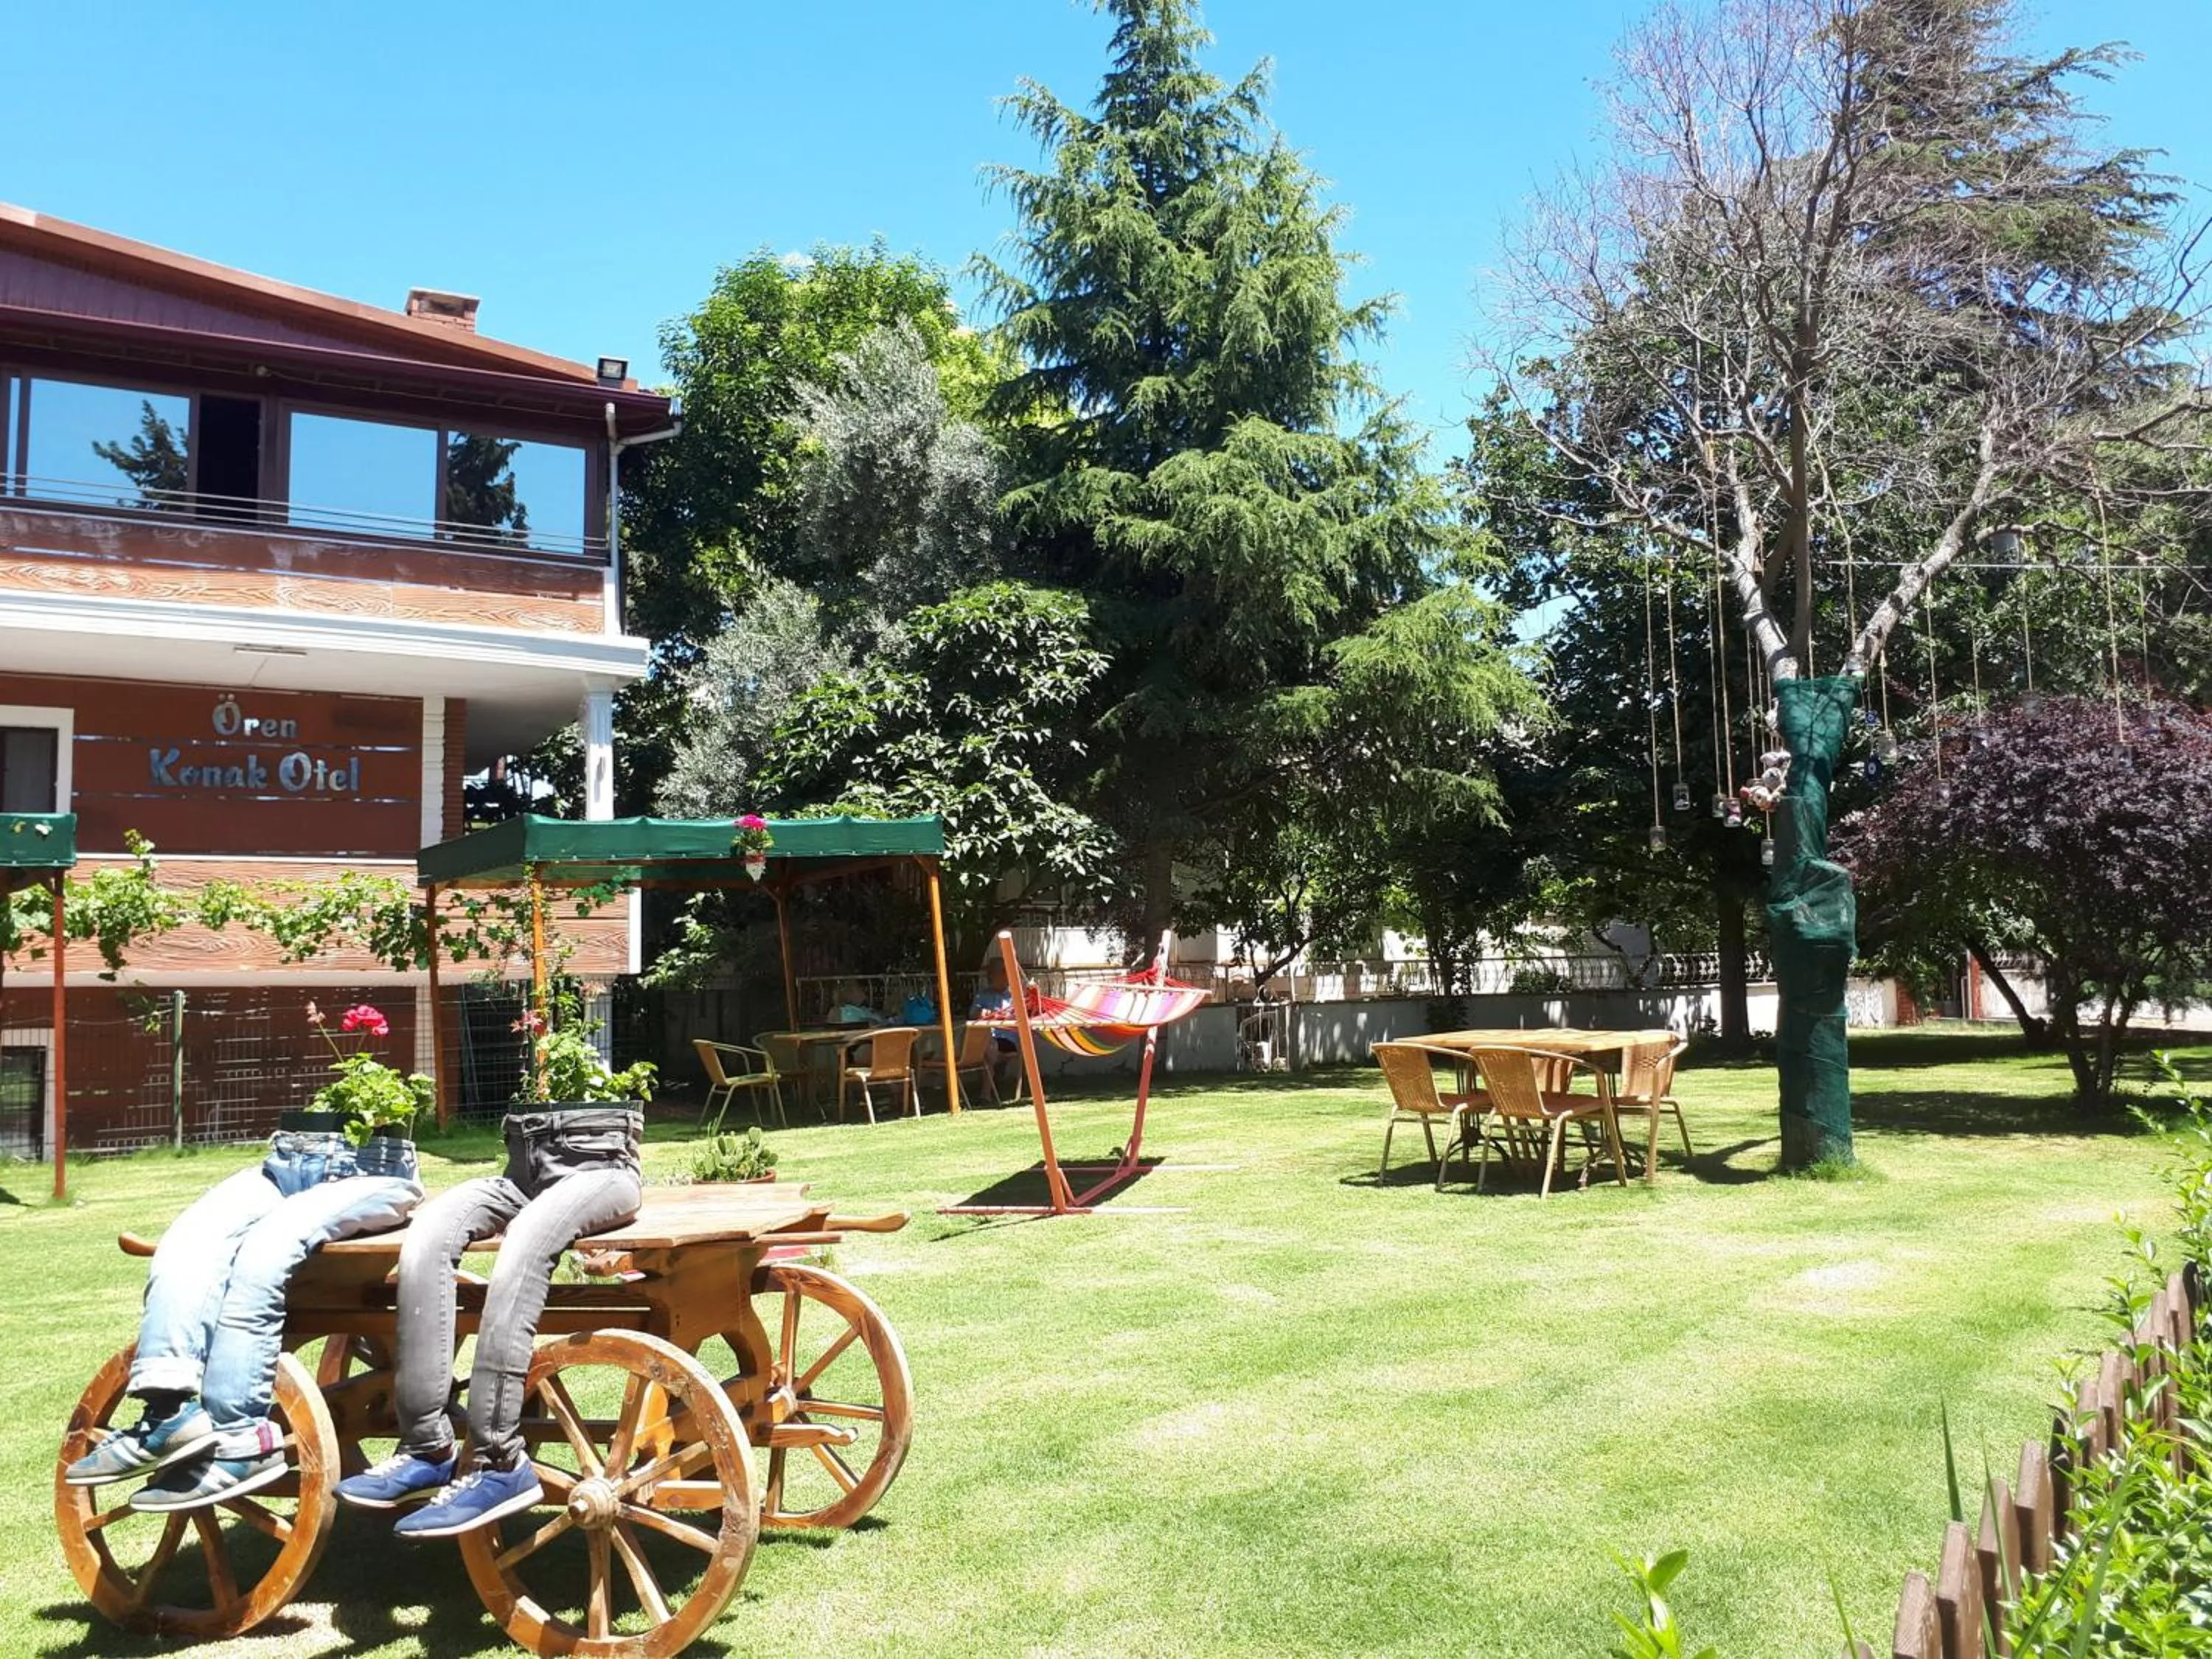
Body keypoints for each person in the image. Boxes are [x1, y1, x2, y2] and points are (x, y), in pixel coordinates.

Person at [63, 1113, 422, 1509]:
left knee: (264, 1255)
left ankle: (242, 1440)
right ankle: (167, 1411)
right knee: (188, 1239)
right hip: (286, 1163)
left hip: (372, 1168)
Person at [333, 1101, 642, 1537]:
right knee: (428, 1234)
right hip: (524, 1173)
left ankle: (500, 1462)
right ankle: (427, 1448)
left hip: (602, 1168)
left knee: (525, 1241)